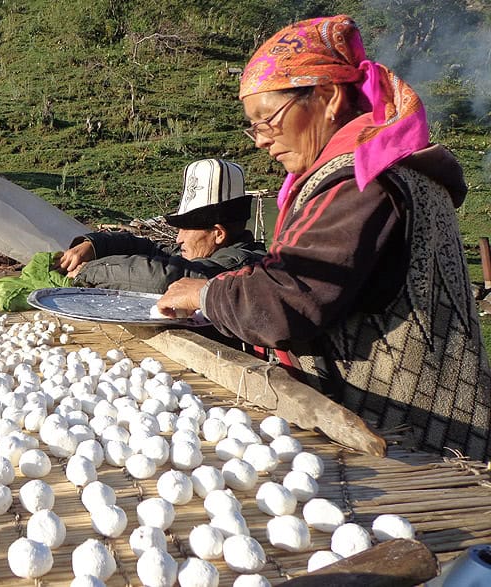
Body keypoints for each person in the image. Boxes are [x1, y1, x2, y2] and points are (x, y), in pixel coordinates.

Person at [157, 15, 491, 460]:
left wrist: (206, 294)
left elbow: (292, 299)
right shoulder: (379, 168)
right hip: (411, 425)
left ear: (329, 98)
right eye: (252, 126)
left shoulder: (364, 181)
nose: (259, 140)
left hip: (416, 440)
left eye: (266, 119)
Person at [54, 159, 266, 294]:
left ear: (218, 234)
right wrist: (93, 246)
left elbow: (165, 277)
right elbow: (149, 248)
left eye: (186, 229)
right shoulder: (198, 253)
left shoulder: (240, 265)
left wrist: (91, 271)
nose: (178, 239)